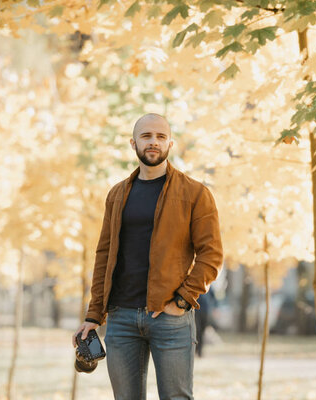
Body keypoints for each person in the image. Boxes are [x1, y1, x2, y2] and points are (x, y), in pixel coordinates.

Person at [72, 113, 223, 400]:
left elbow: (211, 254)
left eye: (160, 137)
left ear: (170, 143)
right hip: (121, 317)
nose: (153, 142)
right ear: (133, 143)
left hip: (171, 318)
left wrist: (182, 300)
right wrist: (94, 315)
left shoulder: (195, 194)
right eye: (146, 136)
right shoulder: (117, 195)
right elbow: (104, 256)